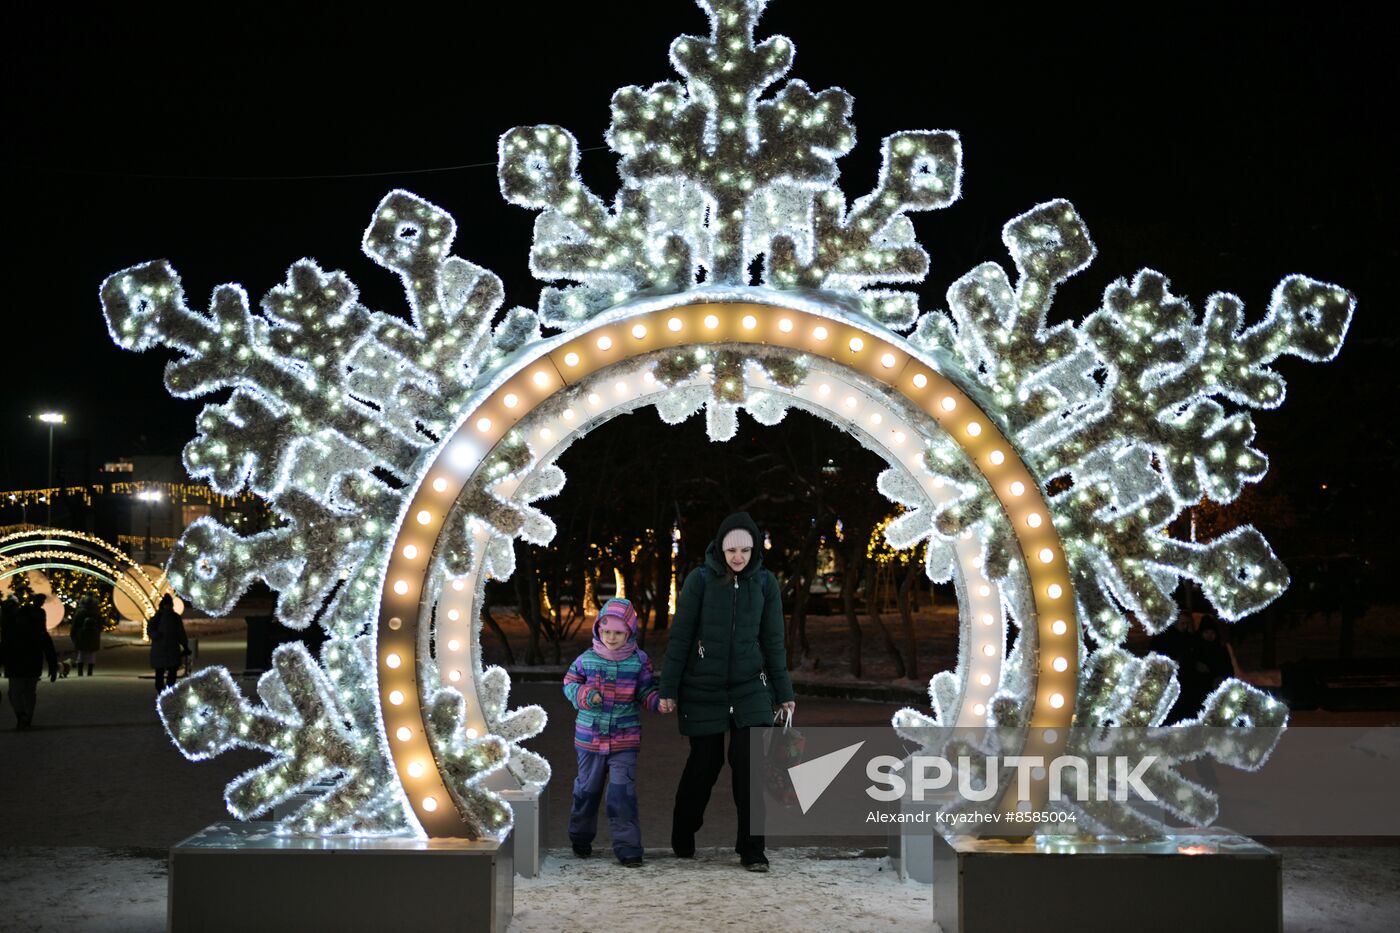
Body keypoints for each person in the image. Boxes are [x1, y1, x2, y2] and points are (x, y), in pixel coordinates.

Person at [659, 511, 795, 872]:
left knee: (749, 765)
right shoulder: (700, 581)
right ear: (720, 547)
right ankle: (684, 828)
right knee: (705, 763)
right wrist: (668, 687)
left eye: (746, 551)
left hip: (750, 688)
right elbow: (681, 637)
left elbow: (773, 641)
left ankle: (752, 849)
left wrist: (784, 691)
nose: (738, 557)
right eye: (732, 549)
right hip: (702, 687)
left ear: (754, 552)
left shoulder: (764, 584)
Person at [563, 598, 665, 866]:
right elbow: (570, 684)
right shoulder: (586, 659)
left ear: (630, 632)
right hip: (590, 739)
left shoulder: (639, 661)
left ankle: (629, 848)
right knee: (587, 791)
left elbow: (644, 691)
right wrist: (585, 695)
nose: (611, 637)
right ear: (598, 629)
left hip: (624, 740)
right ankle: (580, 837)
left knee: (622, 794)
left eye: (618, 632)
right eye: (606, 631)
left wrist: (657, 702)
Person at [1, 595, 58, 730]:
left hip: (15, 667)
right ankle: (27, 717)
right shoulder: (38, 632)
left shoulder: (12, 631)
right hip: (32, 665)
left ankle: (22, 715)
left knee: (15, 693)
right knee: (29, 692)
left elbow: (4, 648)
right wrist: (53, 666)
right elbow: (49, 649)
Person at [148, 594, 188, 691]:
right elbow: (150, 629)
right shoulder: (158, 617)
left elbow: (180, 632)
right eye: (166, 605)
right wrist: (155, 635)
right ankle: (162, 691)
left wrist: (185, 645)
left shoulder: (175, 617)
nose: (168, 607)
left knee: (171, 671)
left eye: (169, 605)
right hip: (161, 648)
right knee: (160, 672)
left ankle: (167, 690)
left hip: (171, 648)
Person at [69, 594, 104, 677]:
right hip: (93, 635)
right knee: (92, 654)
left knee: (81, 653)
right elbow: (100, 625)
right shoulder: (96, 613)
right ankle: (90, 672)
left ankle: (80, 672)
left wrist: (73, 634)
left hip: (81, 635)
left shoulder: (80, 612)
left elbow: (75, 625)